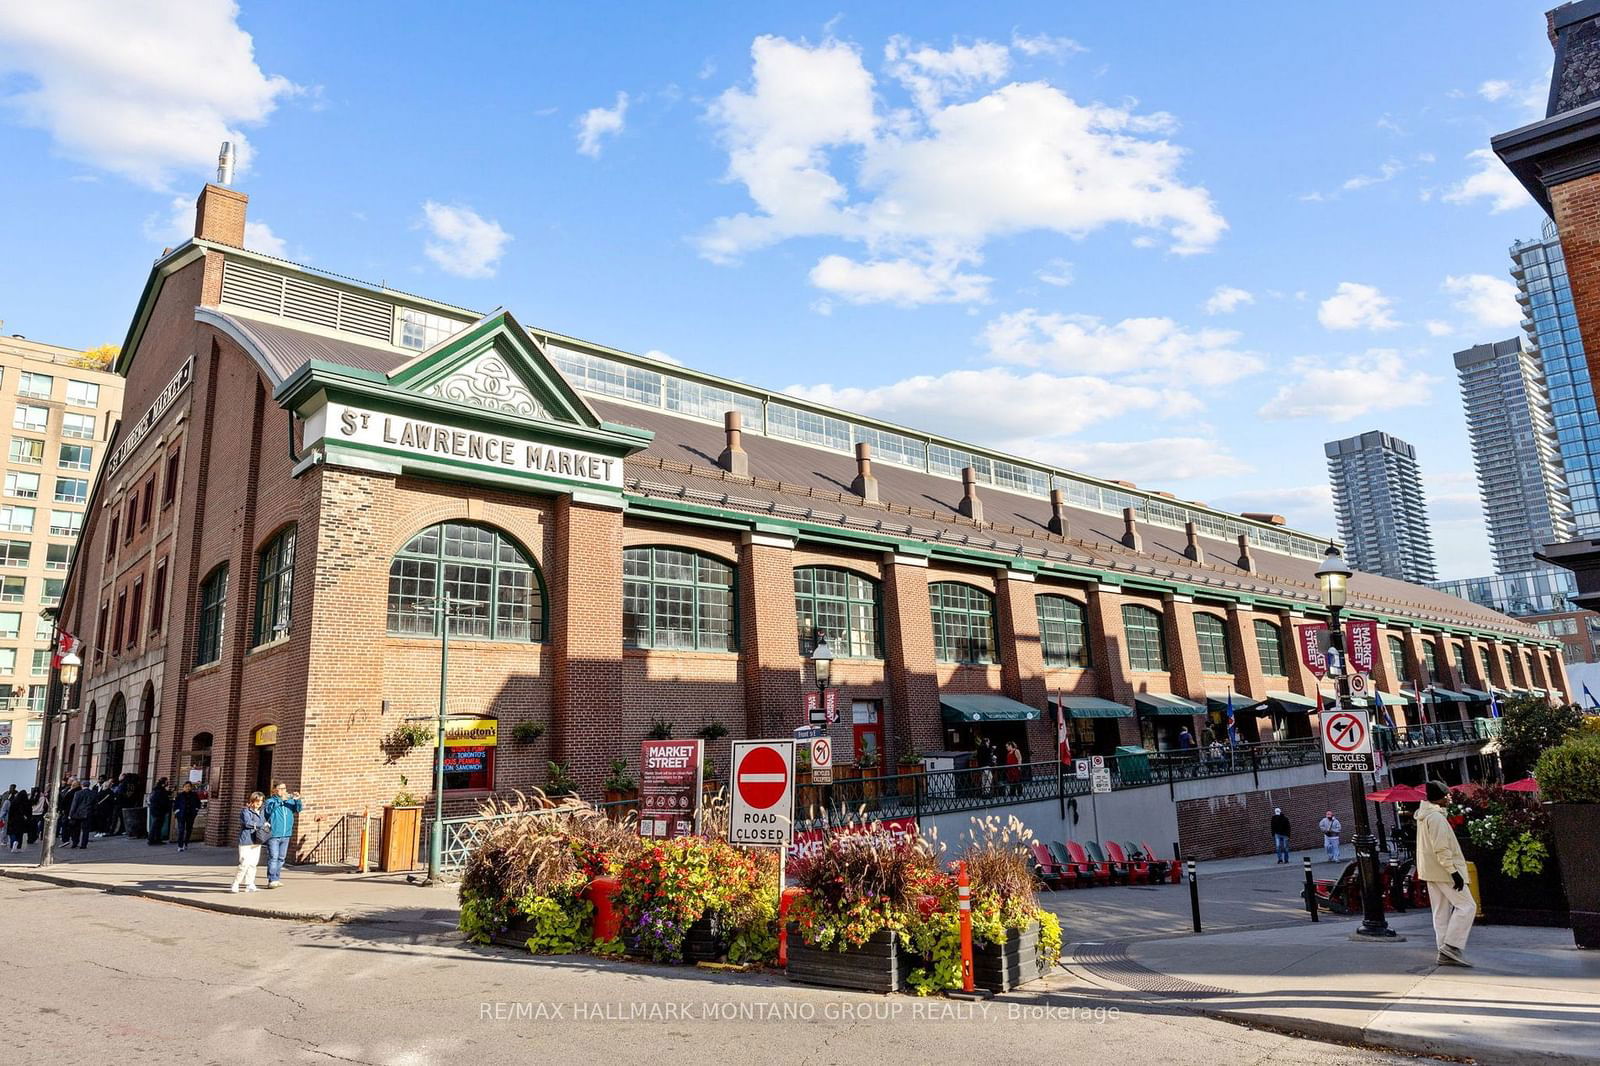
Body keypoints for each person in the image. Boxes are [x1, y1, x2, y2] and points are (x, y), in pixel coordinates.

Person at [262, 782, 303, 888]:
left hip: (286, 833)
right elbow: (268, 811)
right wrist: (281, 801)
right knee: (273, 857)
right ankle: (272, 879)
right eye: (280, 789)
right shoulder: (270, 801)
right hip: (274, 833)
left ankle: (276, 877)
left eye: (284, 788)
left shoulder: (289, 801)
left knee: (281, 858)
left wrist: (297, 800)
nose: (283, 791)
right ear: (274, 791)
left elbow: (298, 809)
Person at [232, 792, 268, 893]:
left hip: (257, 840)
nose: (259, 803)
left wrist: (262, 825)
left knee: (253, 863)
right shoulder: (245, 811)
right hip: (246, 840)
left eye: (261, 801)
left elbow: (264, 822)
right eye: (257, 801)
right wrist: (260, 825)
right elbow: (247, 823)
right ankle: (236, 883)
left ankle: (250, 883)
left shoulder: (261, 812)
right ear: (252, 801)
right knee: (244, 863)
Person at [67, 779, 96, 849]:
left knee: (76, 829)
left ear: (82, 785)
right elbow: (95, 804)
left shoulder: (78, 793)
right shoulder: (93, 793)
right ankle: (84, 844)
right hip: (88, 813)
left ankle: (75, 842)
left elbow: (74, 805)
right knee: (86, 830)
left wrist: (70, 814)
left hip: (78, 814)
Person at [173, 782, 201, 852]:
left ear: (191, 787)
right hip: (181, 815)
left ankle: (186, 843)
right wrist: (177, 812)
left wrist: (196, 810)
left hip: (190, 815)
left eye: (189, 786)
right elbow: (175, 805)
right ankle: (180, 845)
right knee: (181, 830)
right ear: (183, 787)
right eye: (186, 786)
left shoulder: (194, 795)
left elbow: (198, 803)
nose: (187, 788)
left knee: (189, 829)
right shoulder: (180, 795)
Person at [147, 778, 171, 846]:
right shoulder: (160, 790)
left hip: (157, 810)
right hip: (158, 810)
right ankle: (152, 839)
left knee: (158, 825)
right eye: (167, 782)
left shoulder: (158, 789)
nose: (167, 783)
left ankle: (156, 839)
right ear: (163, 783)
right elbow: (162, 800)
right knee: (156, 825)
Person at [5, 787, 31, 851]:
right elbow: (29, 812)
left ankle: (13, 844)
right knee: (20, 834)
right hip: (21, 820)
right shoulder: (26, 803)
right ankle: (18, 846)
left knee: (12, 832)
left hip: (13, 819)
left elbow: (10, 811)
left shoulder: (14, 802)